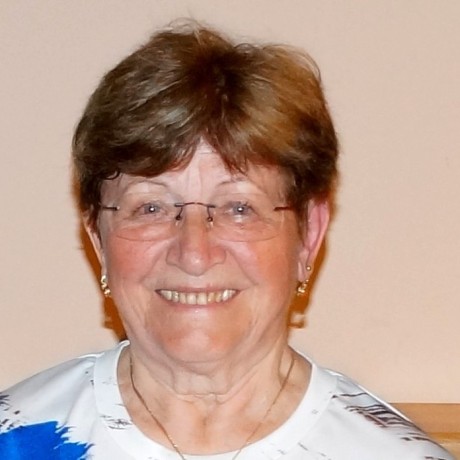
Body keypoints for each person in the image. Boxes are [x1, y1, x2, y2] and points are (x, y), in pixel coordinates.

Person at [0, 22, 454, 460]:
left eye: (239, 208)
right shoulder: (14, 440)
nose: (194, 253)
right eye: (152, 208)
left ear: (308, 236)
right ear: (98, 238)